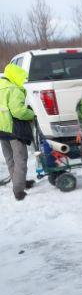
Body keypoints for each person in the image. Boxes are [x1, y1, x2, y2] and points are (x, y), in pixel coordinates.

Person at [0, 63, 36, 200]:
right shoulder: (13, 89)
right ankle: (19, 190)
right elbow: (19, 112)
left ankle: (18, 182)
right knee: (20, 158)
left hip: (1, 129)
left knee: (10, 158)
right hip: (13, 130)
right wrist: (31, 114)